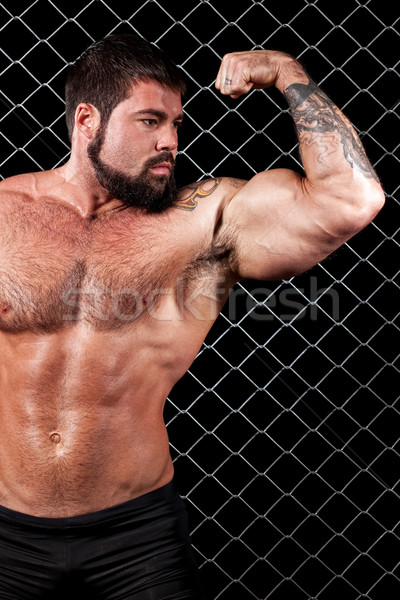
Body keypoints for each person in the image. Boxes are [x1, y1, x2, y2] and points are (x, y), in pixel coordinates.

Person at [0, 33, 384, 599]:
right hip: (7, 533)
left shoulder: (202, 220)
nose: (170, 141)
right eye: (150, 121)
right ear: (87, 121)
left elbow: (352, 200)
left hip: (137, 537)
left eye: (176, 124)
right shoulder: (6, 214)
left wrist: (285, 71)